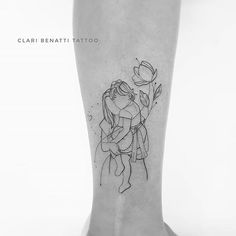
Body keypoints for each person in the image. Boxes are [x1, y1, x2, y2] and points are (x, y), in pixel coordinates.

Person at [73, 0, 181, 235]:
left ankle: (114, 221)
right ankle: (135, 223)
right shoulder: (122, 109)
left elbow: (127, 114)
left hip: (123, 142)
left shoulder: (124, 110)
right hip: (122, 142)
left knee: (122, 164)